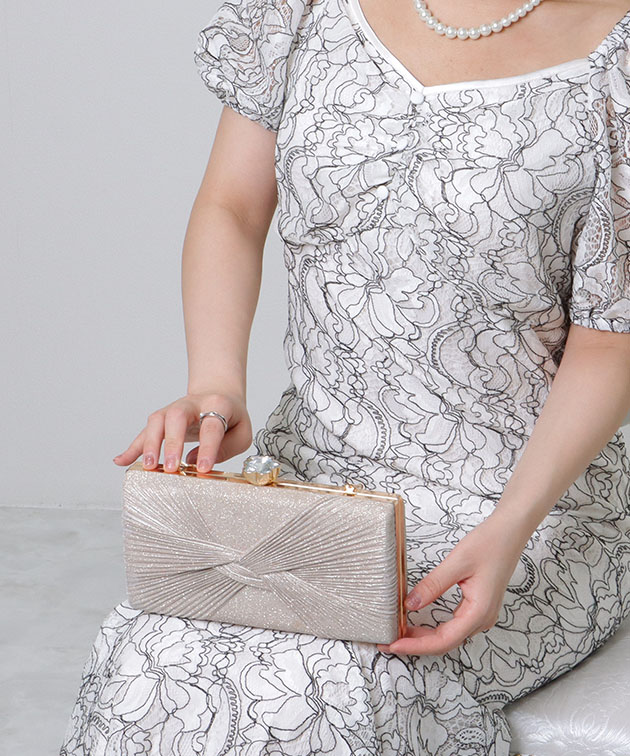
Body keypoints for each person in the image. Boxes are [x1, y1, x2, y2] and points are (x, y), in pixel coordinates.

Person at [60, 0, 630, 753]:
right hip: (311, 486)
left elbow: (611, 337)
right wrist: (215, 382)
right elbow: (232, 206)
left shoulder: (616, 60)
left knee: (324, 687)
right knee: (151, 659)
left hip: (522, 511)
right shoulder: (301, 11)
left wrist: (509, 527)